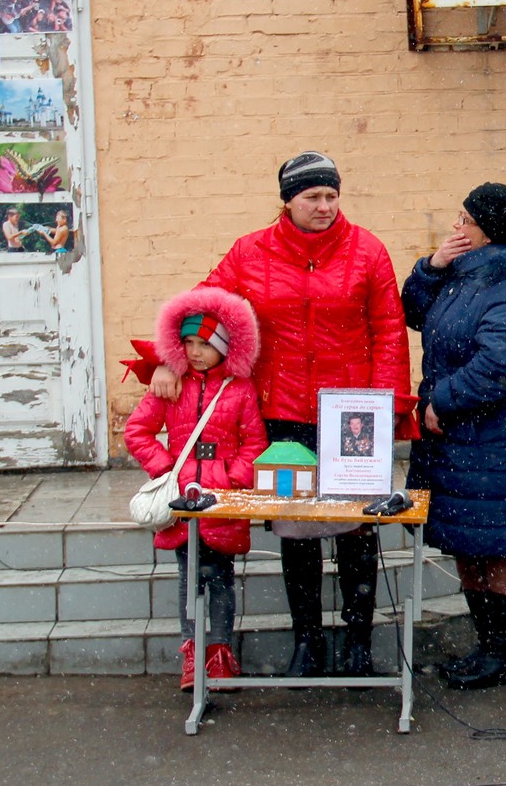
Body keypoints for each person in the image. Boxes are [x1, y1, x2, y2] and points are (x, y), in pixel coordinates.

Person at [150, 152, 413, 678]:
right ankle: (308, 642)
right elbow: (203, 308)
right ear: (287, 201)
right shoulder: (250, 253)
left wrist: (385, 406)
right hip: (283, 412)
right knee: (296, 528)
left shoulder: (367, 251)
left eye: (332, 196)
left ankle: (359, 643)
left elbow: (388, 330)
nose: (324, 206)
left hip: (351, 412)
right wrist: (168, 359)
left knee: (358, 528)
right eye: (312, 197)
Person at [402, 183, 506, 689]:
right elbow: (411, 313)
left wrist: (442, 400)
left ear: (489, 230)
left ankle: (502, 655)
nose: (457, 227)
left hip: (492, 440)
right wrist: (431, 267)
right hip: (455, 439)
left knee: (495, 548)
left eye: (465, 220)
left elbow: (502, 364)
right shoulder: (464, 275)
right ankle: (485, 649)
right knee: (467, 544)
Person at [124, 289, 268, 690]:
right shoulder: (173, 386)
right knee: (188, 577)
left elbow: (254, 443)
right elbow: (138, 431)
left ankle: (219, 652)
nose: (195, 352)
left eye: (205, 344)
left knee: (220, 576)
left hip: (221, 500)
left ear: (225, 347)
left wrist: (232, 477)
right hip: (183, 500)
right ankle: (192, 651)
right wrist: (167, 468)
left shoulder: (240, 389)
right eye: (188, 343)